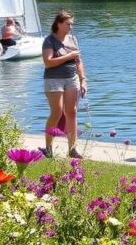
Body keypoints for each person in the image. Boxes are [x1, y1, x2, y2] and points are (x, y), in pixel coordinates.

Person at [41, 10, 87, 159]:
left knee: (72, 112)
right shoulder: (49, 40)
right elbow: (48, 63)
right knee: (57, 112)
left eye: (72, 24)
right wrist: (69, 56)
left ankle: (72, 149)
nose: (71, 27)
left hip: (72, 79)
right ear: (59, 24)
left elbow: (78, 61)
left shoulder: (73, 39)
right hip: (54, 80)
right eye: (68, 24)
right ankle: (48, 148)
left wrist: (83, 79)